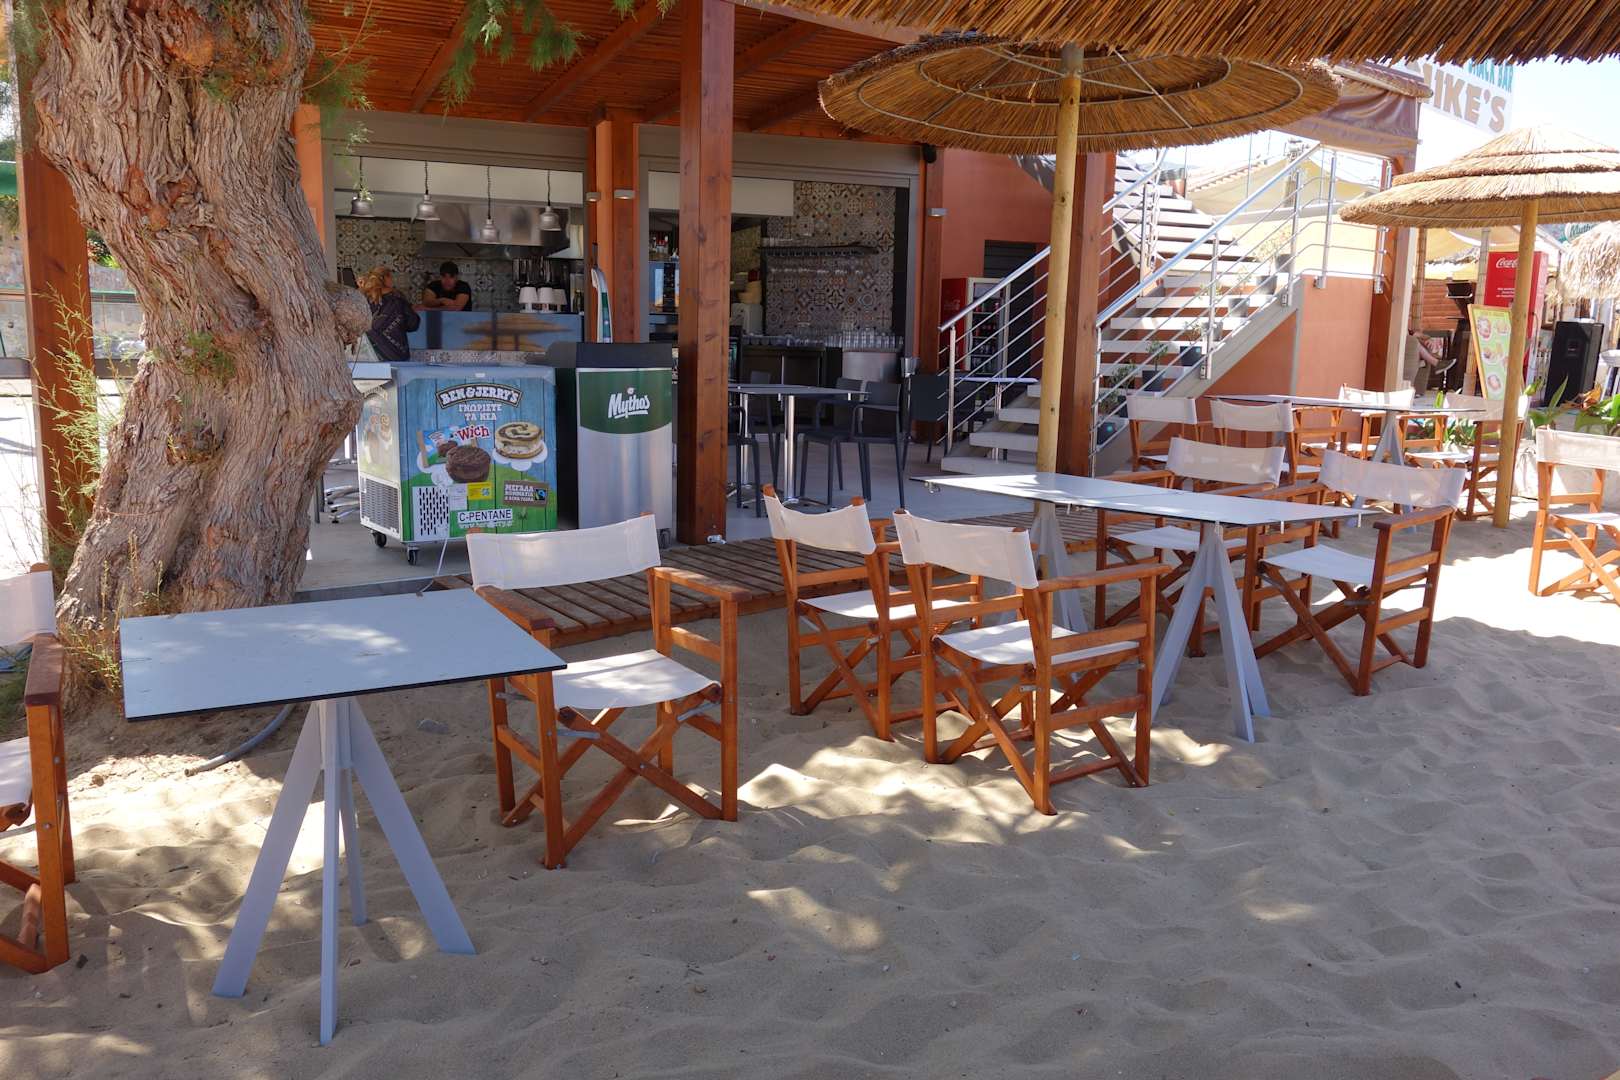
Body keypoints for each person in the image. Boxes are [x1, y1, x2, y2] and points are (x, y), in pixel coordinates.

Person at [358, 266, 419, 363]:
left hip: (369, 356)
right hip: (396, 355)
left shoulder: (364, 301)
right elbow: (413, 324)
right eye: (391, 277)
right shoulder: (398, 301)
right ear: (385, 278)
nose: (392, 280)